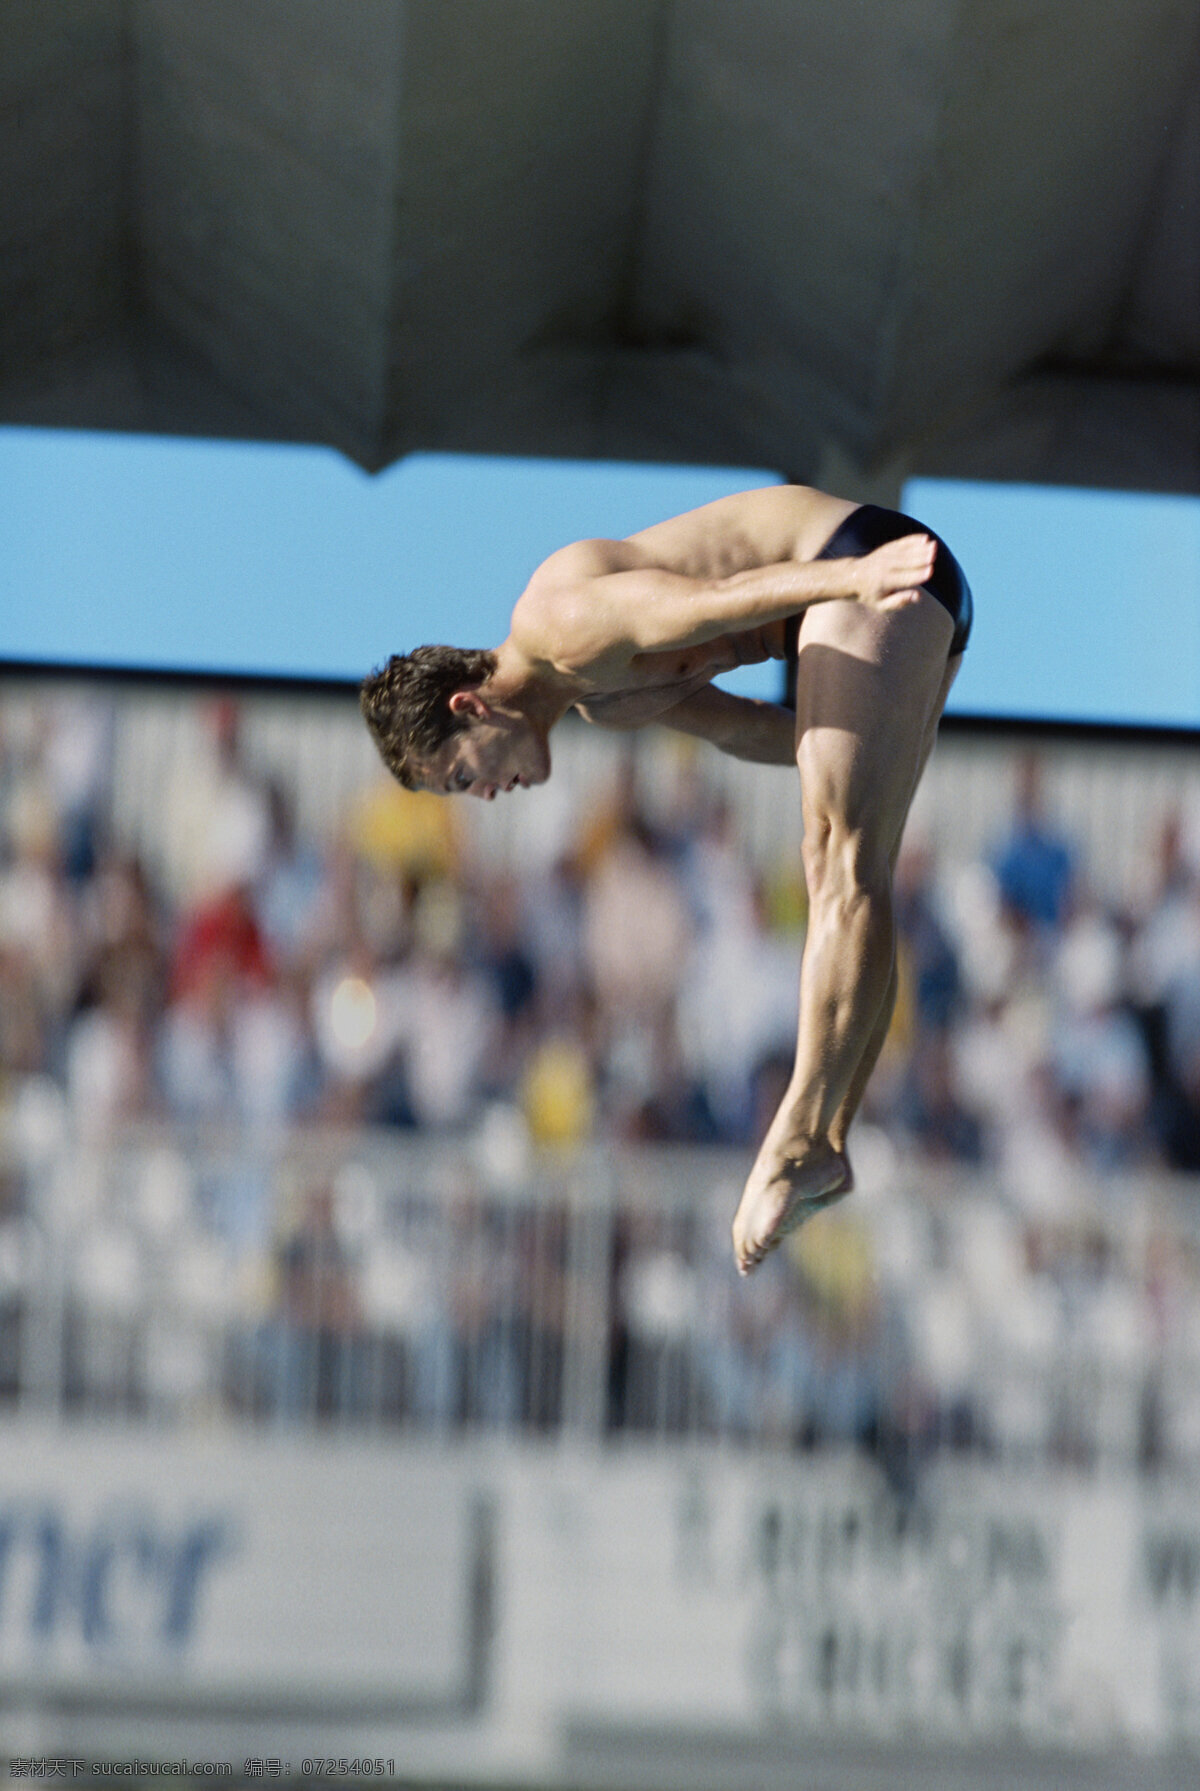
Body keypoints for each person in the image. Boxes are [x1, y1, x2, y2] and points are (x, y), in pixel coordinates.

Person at [360, 485, 973, 1274]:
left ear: (469, 706)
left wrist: (853, 580)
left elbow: (714, 601)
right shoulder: (604, 706)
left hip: (861, 562)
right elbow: (751, 730)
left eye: (460, 775)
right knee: (857, 862)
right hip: (873, 599)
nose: (481, 794)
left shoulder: (560, 626)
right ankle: (829, 1139)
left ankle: (800, 1135)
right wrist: (871, 741)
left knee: (835, 858)